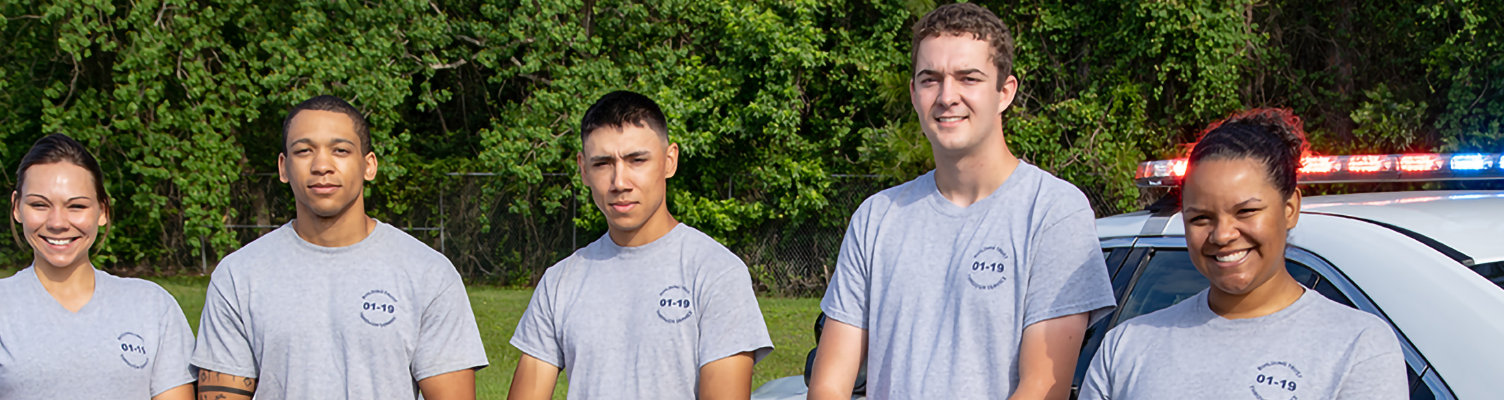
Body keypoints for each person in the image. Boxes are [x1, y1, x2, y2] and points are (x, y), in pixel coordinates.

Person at [809, 4, 1116, 400]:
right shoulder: (877, 217)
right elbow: (829, 384)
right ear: (914, 93)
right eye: (930, 80)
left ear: (1005, 92)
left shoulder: (1053, 211)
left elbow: (1043, 388)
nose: (947, 96)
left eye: (968, 78)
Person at [1076, 109, 1405, 399]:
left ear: (1290, 209)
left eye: (1246, 211)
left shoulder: (1357, 346)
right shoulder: (1127, 347)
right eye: (1200, 218)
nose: (1222, 235)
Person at [191, 95, 487, 400]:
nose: (321, 165)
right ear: (283, 167)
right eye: (304, 151)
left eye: (340, 151)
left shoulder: (428, 274)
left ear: (369, 165)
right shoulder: (238, 276)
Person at [505, 90, 773, 400]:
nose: (620, 182)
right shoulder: (560, 282)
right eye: (603, 163)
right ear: (583, 169)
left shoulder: (716, 273)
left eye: (637, 160)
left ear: (669, 161)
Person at [0, 133, 196, 400]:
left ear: (103, 211)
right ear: (16, 207)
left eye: (76, 206)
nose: (57, 222)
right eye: (39, 205)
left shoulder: (152, 306)